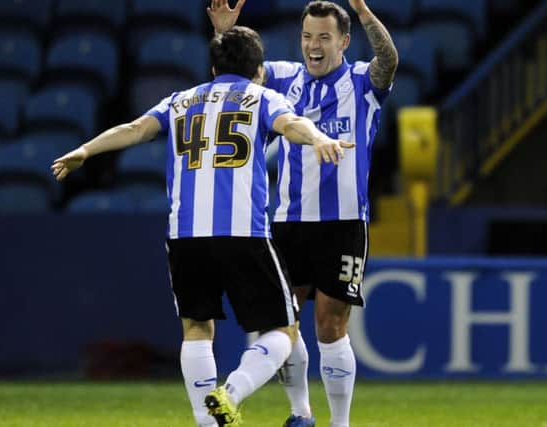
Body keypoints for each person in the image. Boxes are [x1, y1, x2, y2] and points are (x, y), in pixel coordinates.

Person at [51, 26, 353, 427]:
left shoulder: (180, 100)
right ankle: (232, 392)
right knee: (284, 328)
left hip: (186, 234)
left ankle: (208, 423)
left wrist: (85, 150)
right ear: (259, 70)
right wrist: (316, 138)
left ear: (213, 68)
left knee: (196, 327)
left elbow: (135, 129)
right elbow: (291, 125)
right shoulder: (263, 97)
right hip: (243, 231)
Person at [207, 1, 398, 426]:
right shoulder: (285, 77)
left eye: (324, 37)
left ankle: (340, 422)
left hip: (344, 224)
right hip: (288, 223)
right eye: (307, 36)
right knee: (280, 322)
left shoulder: (362, 80)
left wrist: (365, 13)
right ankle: (301, 413)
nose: (313, 45)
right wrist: (224, 35)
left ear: (344, 41)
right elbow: (233, 81)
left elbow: (390, 60)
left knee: (330, 327)